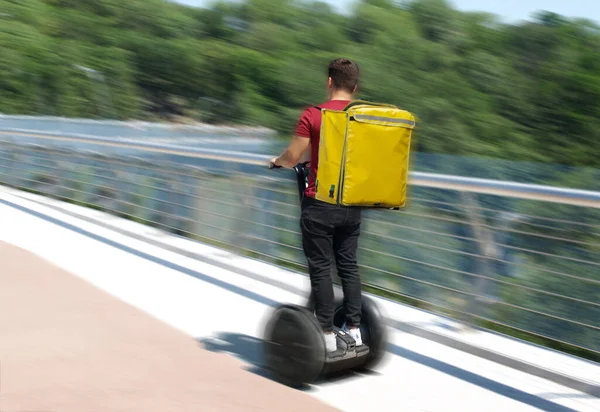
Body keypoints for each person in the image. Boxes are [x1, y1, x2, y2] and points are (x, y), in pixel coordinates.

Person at [270, 58, 363, 353]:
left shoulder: (314, 114)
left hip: (319, 203)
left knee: (321, 268)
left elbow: (293, 156)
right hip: (352, 202)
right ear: (355, 87)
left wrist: (278, 162)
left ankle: (324, 334)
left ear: (329, 82)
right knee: (348, 265)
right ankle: (354, 329)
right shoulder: (364, 118)